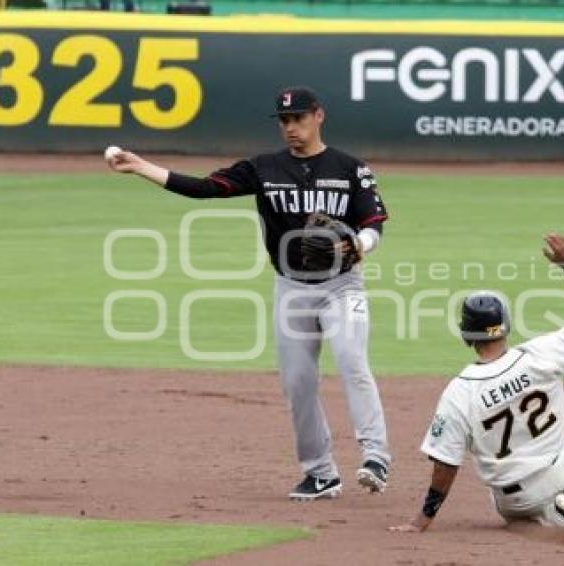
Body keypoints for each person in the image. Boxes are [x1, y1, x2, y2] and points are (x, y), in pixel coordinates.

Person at [106, 86, 391, 501]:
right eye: (284, 121)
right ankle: (320, 473)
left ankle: (376, 456)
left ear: (319, 116)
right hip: (291, 287)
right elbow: (204, 189)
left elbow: (373, 223)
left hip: (342, 285)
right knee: (297, 382)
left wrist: (360, 245)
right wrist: (142, 167)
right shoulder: (263, 168)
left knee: (351, 359)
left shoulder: (350, 168)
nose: (291, 128)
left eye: (299, 118)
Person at [390, 233, 564, 534]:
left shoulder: (459, 392)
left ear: (466, 336)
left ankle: (562, 514)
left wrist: (423, 519)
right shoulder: (541, 354)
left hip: (519, 498)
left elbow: (445, 465)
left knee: (534, 520)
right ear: (506, 326)